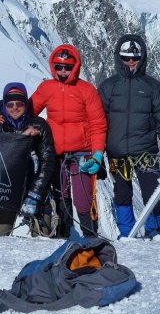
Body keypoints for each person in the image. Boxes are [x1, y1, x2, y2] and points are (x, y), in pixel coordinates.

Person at [98, 34, 160, 238]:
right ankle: (127, 234)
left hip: (146, 152)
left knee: (152, 193)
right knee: (122, 194)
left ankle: (153, 231)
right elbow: (97, 122)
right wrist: (97, 152)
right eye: (126, 58)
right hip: (117, 152)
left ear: (142, 58)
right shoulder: (108, 87)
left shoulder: (152, 87)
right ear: (119, 58)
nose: (131, 62)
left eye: (135, 58)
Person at [31, 44, 107, 237]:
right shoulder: (46, 88)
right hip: (55, 154)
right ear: (53, 66)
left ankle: (90, 238)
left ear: (75, 66)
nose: (63, 71)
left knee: (84, 200)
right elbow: (28, 113)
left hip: (82, 153)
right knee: (61, 198)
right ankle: (64, 237)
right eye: (58, 67)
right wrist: (2, 116)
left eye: (67, 67)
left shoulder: (87, 90)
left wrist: (97, 153)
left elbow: (98, 124)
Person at [0, 82, 57, 236]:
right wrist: (22, 138)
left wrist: (36, 193)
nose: (14, 108)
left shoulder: (39, 125)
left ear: (25, 103)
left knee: (43, 237)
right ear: (4, 105)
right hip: (6, 189)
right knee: (0, 237)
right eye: (10, 104)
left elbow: (48, 161)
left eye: (19, 103)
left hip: (35, 189)